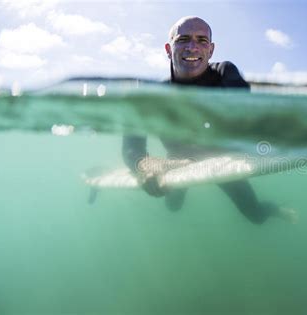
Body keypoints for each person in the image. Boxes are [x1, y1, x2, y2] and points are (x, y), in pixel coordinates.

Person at [122, 16, 297, 224]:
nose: (192, 47)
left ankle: (275, 210)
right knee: (172, 206)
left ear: (211, 50)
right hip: (177, 161)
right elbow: (131, 146)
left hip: (220, 159)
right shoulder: (153, 97)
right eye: (183, 39)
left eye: (201, 40)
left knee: (255, 215)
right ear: (168, 49)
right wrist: (146, 165)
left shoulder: (224, 73)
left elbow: (245, 112)